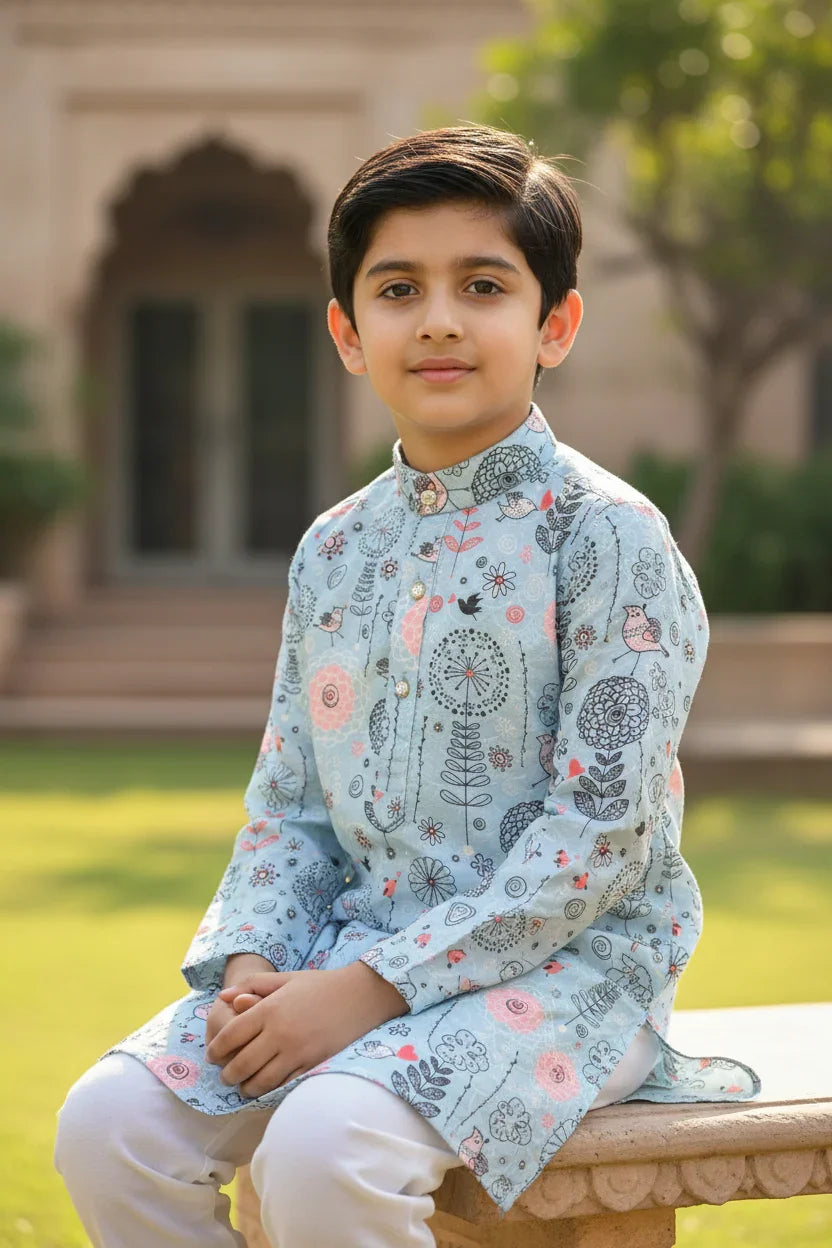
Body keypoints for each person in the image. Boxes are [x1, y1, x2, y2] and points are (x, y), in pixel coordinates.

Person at [54, 123, 760, 1248]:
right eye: (397, 288)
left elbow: (599, 837)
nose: (437, 318)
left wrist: (370, 989)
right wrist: (253, 970)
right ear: (347, 332)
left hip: (571, 978)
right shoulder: (335, 550)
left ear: (554, 324)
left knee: (325, 1150)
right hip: (337, 957)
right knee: (109, 1125)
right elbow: (290, 807)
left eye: (482, 284)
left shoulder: (607, 537)